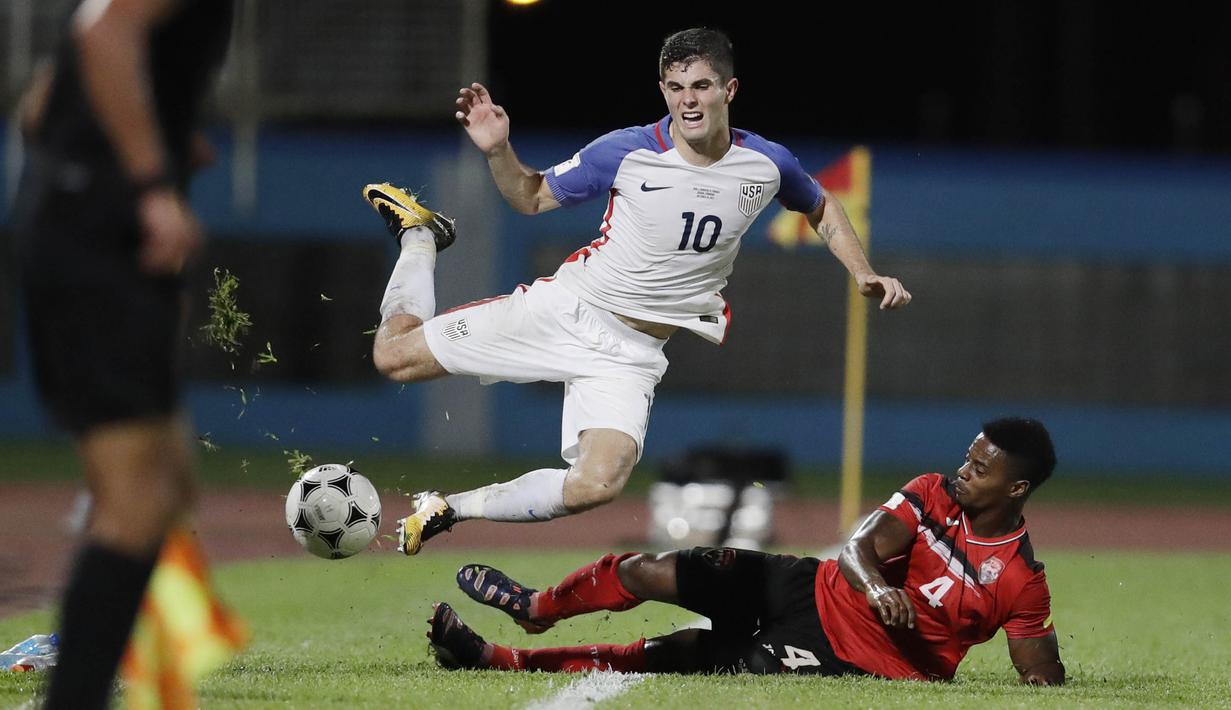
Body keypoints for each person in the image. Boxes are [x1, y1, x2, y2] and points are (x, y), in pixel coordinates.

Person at [363, 27, 911, 557]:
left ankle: (447, 508)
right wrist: (497, 151)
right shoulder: (623, 151)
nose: (688, 101)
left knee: (597, 485)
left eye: (700, 85)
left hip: (634, 354)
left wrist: (862, 271)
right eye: (675, 88)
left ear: (730, 89)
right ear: (663, 92)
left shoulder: (766, 163)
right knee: (393, 355)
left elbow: (820, 205)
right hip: (569, 311)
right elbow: (530, 198)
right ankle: (421, 238)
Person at [427, 418, 1064, 684]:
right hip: (807, 586)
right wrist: (875, 588)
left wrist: (1046, 680)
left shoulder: (1020, 580)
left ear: (1016, 489)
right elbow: (859, 549)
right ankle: (538, 607)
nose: (964, 470)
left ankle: (497, 659)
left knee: (678, 654)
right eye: (968, 456)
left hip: (850, 658)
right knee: (650, 569)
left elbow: (1038, 677)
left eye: (980, 469)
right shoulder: (931, 493)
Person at [11, 1, 234, 707]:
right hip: (98, 237)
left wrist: (164, 138)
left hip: (87, 228)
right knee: (137, 495)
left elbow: (38, 107)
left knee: (162, 485)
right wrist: (148, 184)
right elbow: (103, 31)